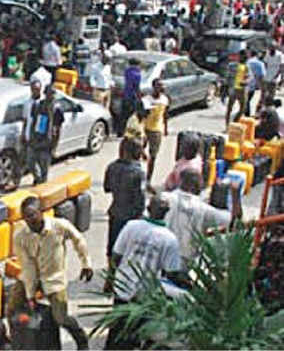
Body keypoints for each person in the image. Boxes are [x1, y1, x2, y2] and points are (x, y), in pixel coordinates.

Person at [10, 197, 92, 350]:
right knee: (12, 308)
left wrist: (86, 263)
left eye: (32, 215)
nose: (29, 220)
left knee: (61, 318)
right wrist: (30, 294)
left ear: (41, 212)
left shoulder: (59, 226)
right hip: (30, 277)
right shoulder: (21, 235)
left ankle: (81, 339)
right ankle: (17, 342)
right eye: (26, 217)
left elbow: (78, 240)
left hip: (53, 279)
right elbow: (27, 266)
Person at [104, 194, 183, 350]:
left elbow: (116, 256)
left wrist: (109, 280)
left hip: (123, 288)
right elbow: (172, 273)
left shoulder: (131, 226)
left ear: (148, 208)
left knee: (116, 333)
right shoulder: (170, 239)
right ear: (167, 212)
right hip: (145, 295)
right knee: (139, 334)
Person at [163, 169, 242, 268]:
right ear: (196, 186)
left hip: (161, 254)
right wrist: (236, 194)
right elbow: (235, 221)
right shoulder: (204, 210)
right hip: (184, 263)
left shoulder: (165, 198)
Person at [103, 137, 146, 279]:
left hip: (115, 212)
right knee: (128, 248)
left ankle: (110, 275)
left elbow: (107, 188)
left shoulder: (111, 167)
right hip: (131, 216)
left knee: (112, 246)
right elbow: (140, 198)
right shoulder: (138, 173)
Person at [22, 83, 64, 186]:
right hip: (35, 139)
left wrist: (54, 147)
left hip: (47, 142)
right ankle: (38, 178)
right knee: (30, 163)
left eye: (53, 94)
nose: (51, 96)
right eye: (49, 93)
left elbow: (58, 129)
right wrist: (30, 136)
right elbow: (32, 122)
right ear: (45, 94)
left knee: (44, 167)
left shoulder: (57, 109)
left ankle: (42, 184)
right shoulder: (37, 105)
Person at [142, 79, 170, 191]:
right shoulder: (146, 100)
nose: (162, 87)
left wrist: (166, 128)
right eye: (159, 85)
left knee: (153, 156)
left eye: (163, 85)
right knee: (139, 153)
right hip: (144, 129)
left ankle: (148, 181)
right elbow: (142, 115)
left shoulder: (165, 99)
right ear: (153, 87)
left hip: (157, 130)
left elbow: (166, 114)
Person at [119, 58, 142, 137]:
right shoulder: (137, 74)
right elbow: (136, 86)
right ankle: (130, 131)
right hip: (132, 96)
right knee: (132, 115)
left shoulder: (127, 71)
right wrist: (139, 96)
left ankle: (120, 131)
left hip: (125, 95)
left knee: (123, 114)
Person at [226, 50, 249, 128]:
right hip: (233, 88)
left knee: (243, 108)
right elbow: (227, 76)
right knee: (229, 108)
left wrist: (245, 81)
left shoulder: (246, 66)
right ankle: (227, 125)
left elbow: (248, 76)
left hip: (242, 89)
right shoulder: (232, 65)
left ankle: (235, 121)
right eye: (243, 56)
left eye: (246, 57)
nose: (245, 58)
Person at [246, 50, 266, 116]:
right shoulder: (260, 63)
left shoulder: (246, 62)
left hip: (244, 84)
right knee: (249, 100)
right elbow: (262, 76)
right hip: (253, 85)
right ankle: (251, 114)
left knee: (246, 100)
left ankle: (247, 114)